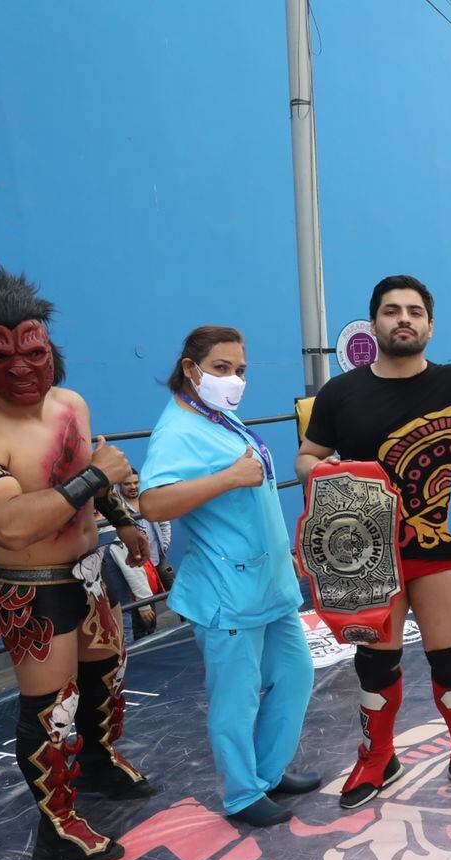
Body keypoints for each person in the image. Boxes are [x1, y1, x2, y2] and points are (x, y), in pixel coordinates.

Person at [0, 267, 152, 860]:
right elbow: (9, 524)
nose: (22, 368)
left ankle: (102, 766)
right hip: (32, 591)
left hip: (88, 570)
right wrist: (99, 477)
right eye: (0, 356)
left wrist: (123, 520)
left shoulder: (70, 403)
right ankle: (57, 826)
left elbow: (84, 470)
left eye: (31, 351)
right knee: (51, 706)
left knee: (106, 676)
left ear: (47, 342)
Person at [296, 276, 451, 808]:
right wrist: (319, 470)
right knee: (375, 663)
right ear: (375, 322)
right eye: (392, 310)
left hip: (440, 546)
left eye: (415, 311)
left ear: (430, 325)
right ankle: (376, 757)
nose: (404, 319)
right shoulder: (340, 392)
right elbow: (306, 456)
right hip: (367, 551)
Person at [137, 326, 319, 826]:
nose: (234, 379)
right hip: (228, 589)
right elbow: (152, 501)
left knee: (295, 674)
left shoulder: (217, 416)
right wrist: (228, 478)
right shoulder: (176, 430)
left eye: (240, 370)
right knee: (236, 698)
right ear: (191, 367)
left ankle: (269, 769)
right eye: (221, 368)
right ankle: (243, 792)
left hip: (269, 582)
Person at [106, 471, 170, 640]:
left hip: (156, 559)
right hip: (136, 563)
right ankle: (146, 642)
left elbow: (163, 521)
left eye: (136, 482)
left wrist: (163, 546)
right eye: (128, 484)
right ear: (120, 485)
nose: (133, 487)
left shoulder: (147, 499)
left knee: (173, 595)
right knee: (141, 609)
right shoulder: (115, 507)